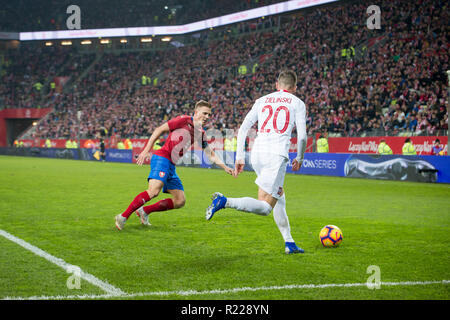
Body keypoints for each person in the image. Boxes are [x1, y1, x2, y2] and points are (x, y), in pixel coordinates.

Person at [205, 70, 307, 254]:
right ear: (294, 87)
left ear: (277, 85)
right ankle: (225, 201)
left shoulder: (262, 100)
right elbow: (302, 137)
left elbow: (243, 128)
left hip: (257, 153)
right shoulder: (297, 103)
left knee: (279, 196)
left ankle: (289, 242)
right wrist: (299, 158)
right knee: (265, 207)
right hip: (276, 156)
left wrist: (240, 157)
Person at [115, 100, 234, 230]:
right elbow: (159, 130)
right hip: (162, 157)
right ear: (196, 112)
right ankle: (122, 217)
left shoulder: (201, 133)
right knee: (154, 191)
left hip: (171, 164)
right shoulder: (184, 120)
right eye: (204, 113)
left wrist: (225, 167)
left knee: (180, 201)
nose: (207, 117)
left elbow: (210, 154)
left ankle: (144, 211)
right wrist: (145, 150)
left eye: (209, 115)